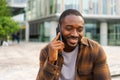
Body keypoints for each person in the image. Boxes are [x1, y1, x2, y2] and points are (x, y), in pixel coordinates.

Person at [36, 9, 111, 80]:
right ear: (59, 29)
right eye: (68, 28)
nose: (75, 34)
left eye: (80, 30)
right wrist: (51, 61)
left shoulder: (96, 50)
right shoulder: (46, 51)